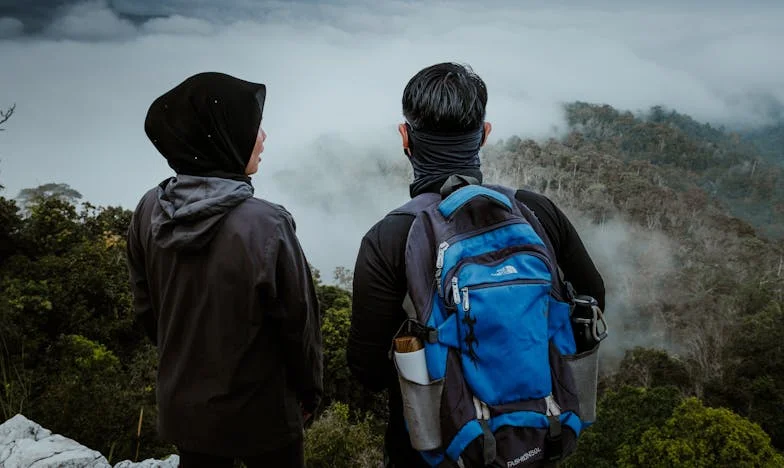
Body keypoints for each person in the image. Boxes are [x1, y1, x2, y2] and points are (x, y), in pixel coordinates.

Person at [347, 62, 606, 467]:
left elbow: (367, 370)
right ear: (485, 134)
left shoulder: (389, 237)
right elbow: (592, 300)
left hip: (435, 447)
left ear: (404, 138)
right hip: (539, 437)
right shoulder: (537, 213)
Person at [126, 72, 323, 468]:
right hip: (262, 414)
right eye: (252, 126)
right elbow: (298, 326)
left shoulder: (149, 209)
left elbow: (148, 311)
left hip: (185, 410)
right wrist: (310, 393)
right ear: (222, 138)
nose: (263, 136)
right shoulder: (266, 225)